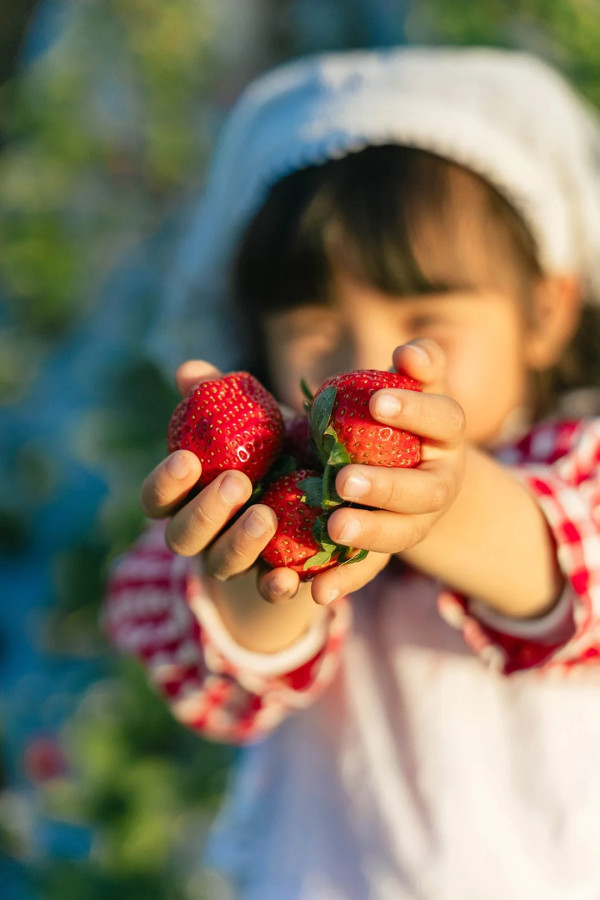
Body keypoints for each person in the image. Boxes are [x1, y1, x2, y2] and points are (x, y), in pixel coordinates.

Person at [105, 46, 600, 899]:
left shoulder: (576, 464)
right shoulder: (277, 485)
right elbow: (234, 673)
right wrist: (259, 558)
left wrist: (443, 502)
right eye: (313, 319)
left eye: (423, 314)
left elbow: (558, 567)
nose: (365, 358)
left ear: (546, 313)